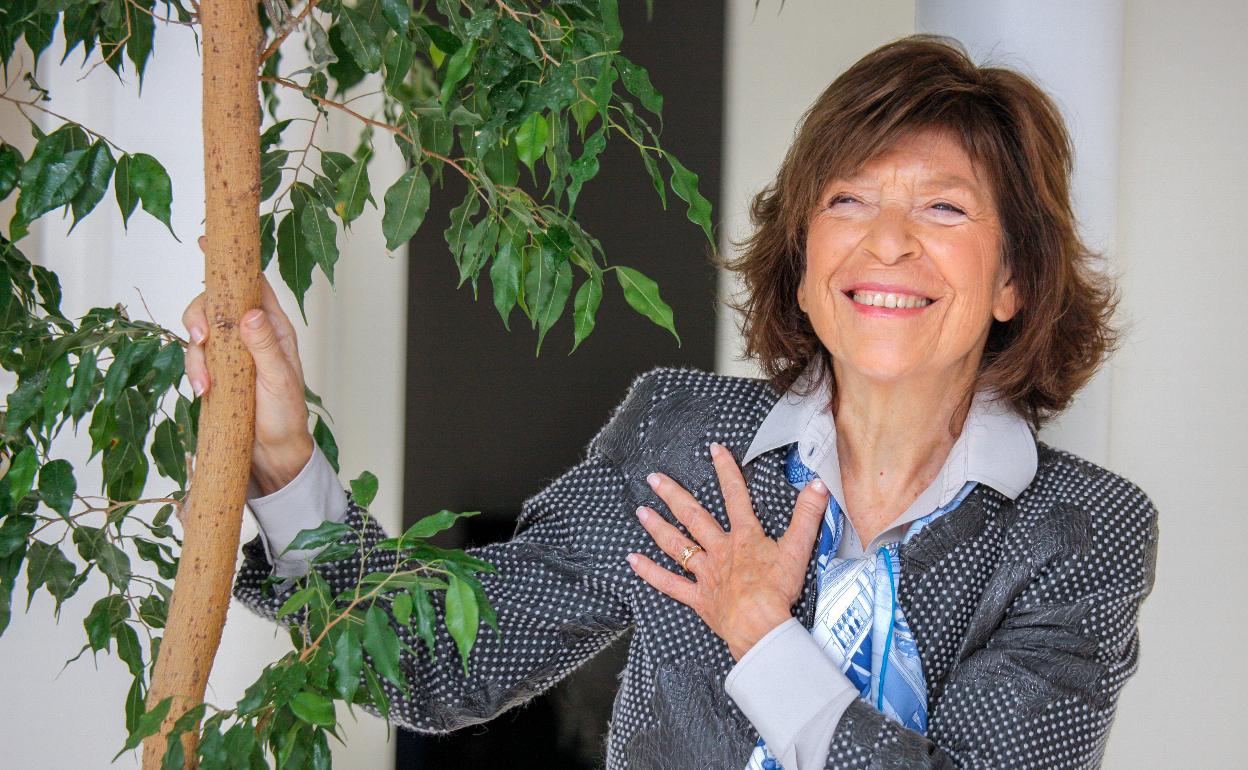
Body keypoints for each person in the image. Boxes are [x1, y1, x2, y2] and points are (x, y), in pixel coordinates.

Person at [182, 34, 1159, 769]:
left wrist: (763, 637)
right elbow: (441, 663)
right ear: (803, 261)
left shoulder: (1083, 531)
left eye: (943, 207)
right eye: (849, 200)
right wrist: (285, 463)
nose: (888, 242)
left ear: (1014, 278)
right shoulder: (688, 439)